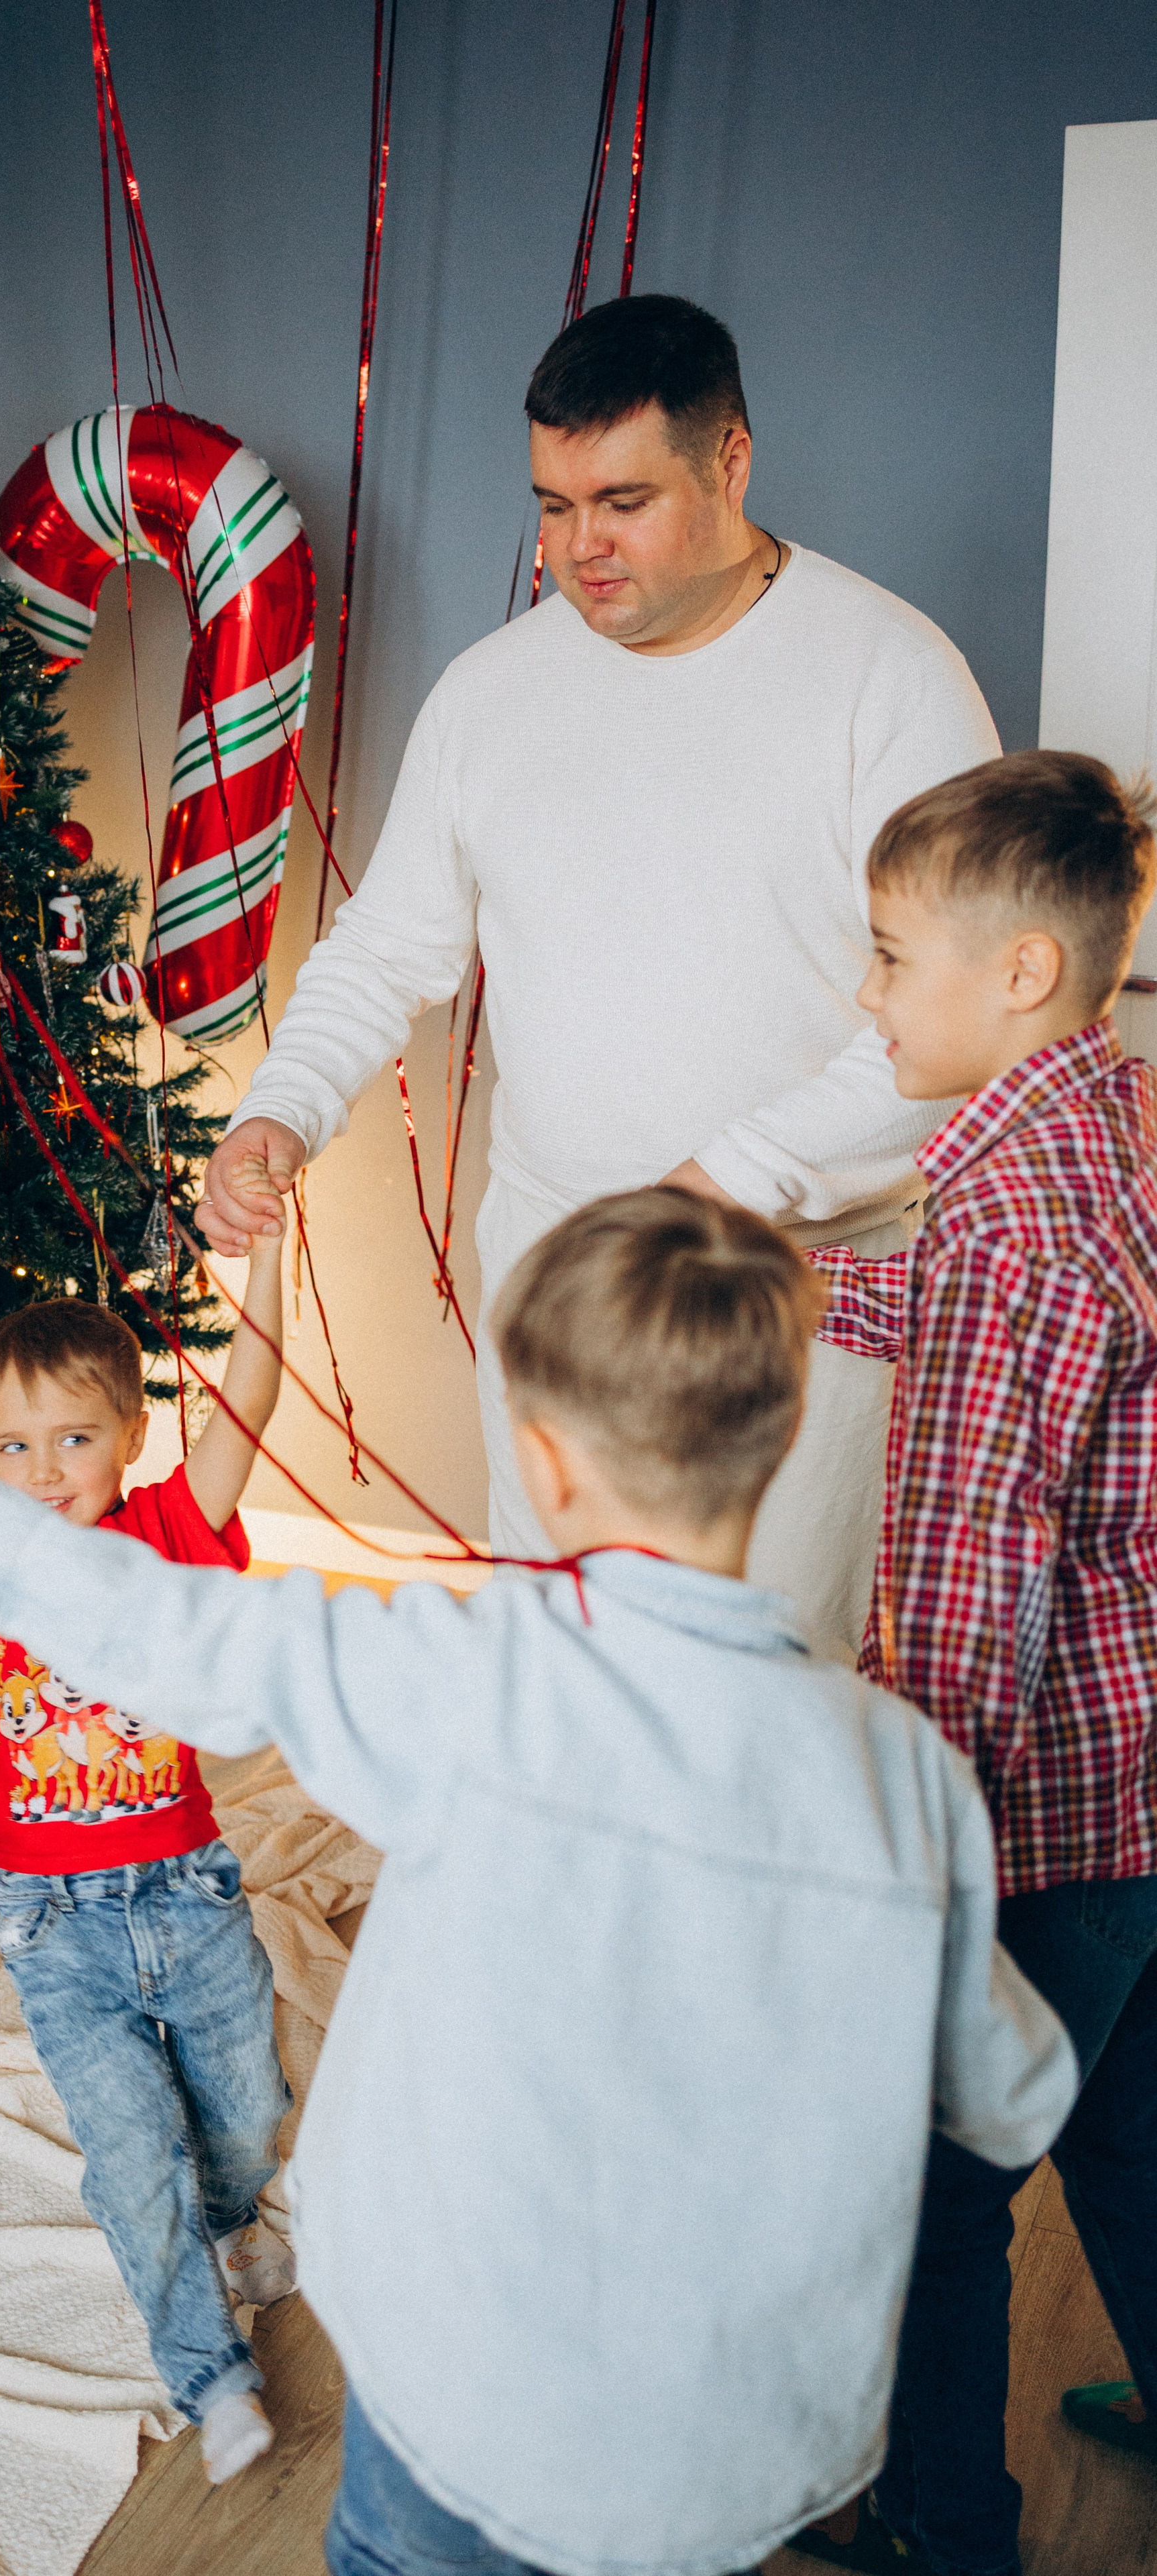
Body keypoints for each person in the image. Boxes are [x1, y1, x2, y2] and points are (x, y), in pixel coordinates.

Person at [0, 1185, 1075, 2576]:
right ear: (780, 1440)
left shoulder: (461, 1677)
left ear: (539, 1462)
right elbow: (1010, 2092)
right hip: (735, 2462)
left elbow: (158, 1627)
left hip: (466, 2425)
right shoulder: (903, 1770)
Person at [199, 292, 1000, 1662]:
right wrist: (283, 1105)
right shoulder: (488, 694)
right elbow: (389, 945)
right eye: (551, 505)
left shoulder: (892, 678)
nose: (577, 550)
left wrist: (719, 1182)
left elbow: (967, 1021)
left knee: (764, 1682)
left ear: (730, 462)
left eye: (620, 501)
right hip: (555, 1273)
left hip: (797, 1293)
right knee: (560, 1662)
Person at [787, 751, 1157, 2576]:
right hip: (1142, 1785)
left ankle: (941, 2531)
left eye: (886, 955)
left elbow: (960, 1595)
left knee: (930, 2195)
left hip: (1037, 1817)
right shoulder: (1102, 1129)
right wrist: (790, 1277)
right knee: (1140, 2139)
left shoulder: (1010, 1232)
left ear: (1017, 970)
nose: (866, 994)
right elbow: (990, 1320)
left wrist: (902, 1851)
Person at [0, 1197, 294, 2485]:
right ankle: (207, 2372)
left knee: (244, 2113)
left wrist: (269, 1255)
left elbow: (249, 1411)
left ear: (129, 1436)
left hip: (190, 1895)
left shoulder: (167, 1532)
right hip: (54, 1930)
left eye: (73, 1438)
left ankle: (224, 2221)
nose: (42, 1469)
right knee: (129, 2151)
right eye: (10, 1446)